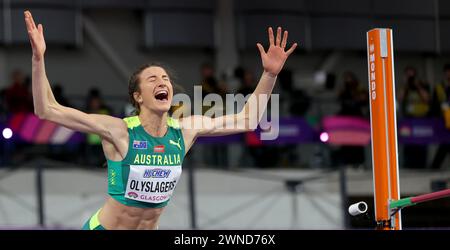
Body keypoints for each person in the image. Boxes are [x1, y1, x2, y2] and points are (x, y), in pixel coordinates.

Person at [24, 11, 297, 230]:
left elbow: (248, 119)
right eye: (152, 79)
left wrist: (269, 75)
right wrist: (38, 58)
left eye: (165, 78)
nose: (162, 81)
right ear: (138, 96)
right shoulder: (119, 131)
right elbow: (47, 109)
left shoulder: (185, 130)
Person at [398, 66, 431, 169]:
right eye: (408, 75)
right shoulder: (404, 87)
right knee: (409, 144)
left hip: (422, 119)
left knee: (421, 143)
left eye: (412, 75)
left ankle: (422, 166)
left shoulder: (423, 85)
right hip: (409, 120)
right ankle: (409, 166)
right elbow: (399, 99)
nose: (411, 78)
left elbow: (427, 99)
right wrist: (406, 85)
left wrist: (418, 86)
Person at [430, 64, 450, 170]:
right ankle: (434, 167)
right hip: (443, 122)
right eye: (447, 72)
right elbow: (434, 105)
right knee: (444, 144)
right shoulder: (439, 87)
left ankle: (435, 166)